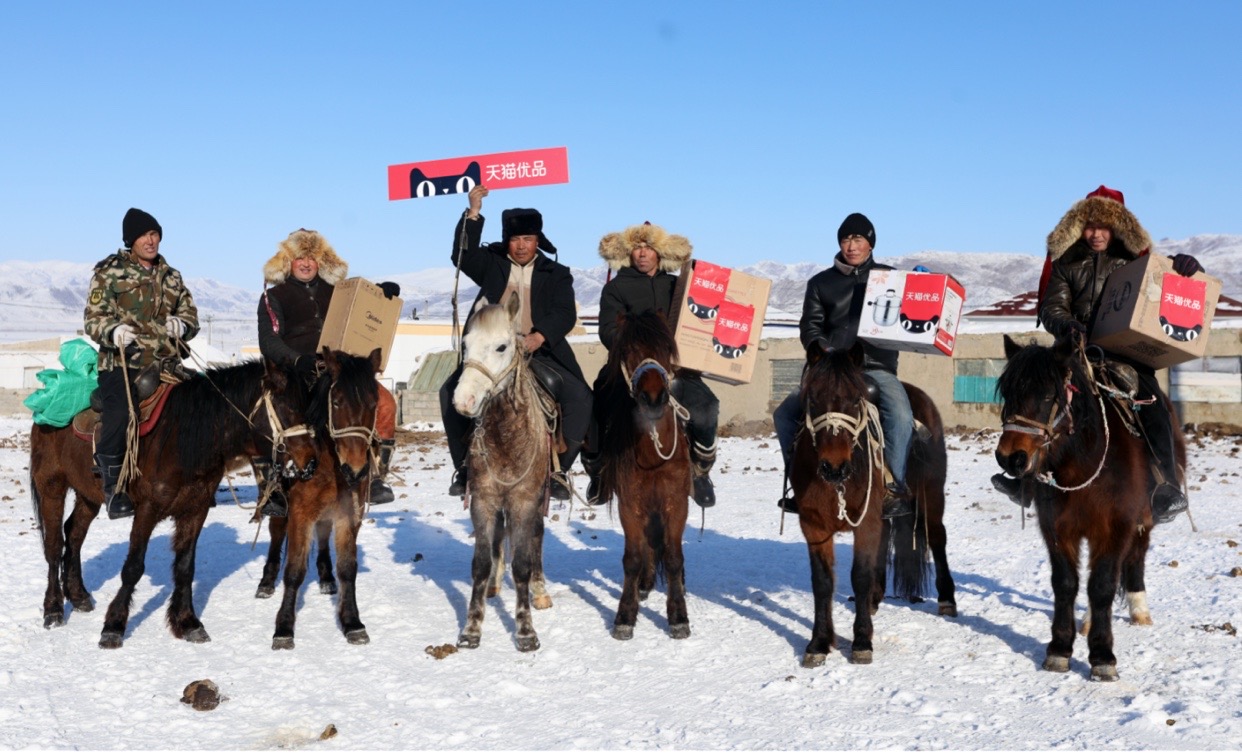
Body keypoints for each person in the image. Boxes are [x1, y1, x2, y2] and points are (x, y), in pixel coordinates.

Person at [993, 186, 1201, 524]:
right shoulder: (1067, 261)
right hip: (1076, 348)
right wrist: (1068, 325)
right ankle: (1026, 481)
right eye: (1090, 225)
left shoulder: (1135, 260)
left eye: (1104, 226)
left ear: (1118, 226)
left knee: (1152, 402)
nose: (1096, 234)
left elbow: (1165, 290)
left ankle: (1166, 487)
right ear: (1079, 226)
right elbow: (1051, 306)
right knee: (1033, 391)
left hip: (1124, 351)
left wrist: (1185, 269)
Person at [441, 185, 592, 500]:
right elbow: (462, 255)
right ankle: (463, 467)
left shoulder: (557, 273)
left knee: (581, 398)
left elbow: (565, 313)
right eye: (515, 239)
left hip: (541, 352)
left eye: (527, 239)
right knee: (448, 393)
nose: (521, 246)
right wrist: (473, 211)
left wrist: (540, 335)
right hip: (492, 353)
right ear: (506, 240)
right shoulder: (492, 263)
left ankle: (560, 471)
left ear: (537, 240)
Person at [771, 212, 914, 519]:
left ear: (871, 243)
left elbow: (910, 316)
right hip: (831, 368)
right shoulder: (821, 283)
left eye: (858, 239)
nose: (851, 245)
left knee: (901, 413)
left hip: (875, 366)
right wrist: (819, 348)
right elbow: (809, 325)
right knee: (784, 414)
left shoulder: (891, 279)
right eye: (846, 238)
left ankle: (893, 486)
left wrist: (919, 287)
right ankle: (798, 483)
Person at [257, 228, 401, 515]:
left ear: (321, 261)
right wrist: (297, 360)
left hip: (338, 368)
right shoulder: (273, 297)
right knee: (268, 413)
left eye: (312, 257)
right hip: (296, 370)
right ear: (288, 262)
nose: (306, 263)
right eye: (299, 258)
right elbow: (269, 340)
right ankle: (271, 486)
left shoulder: (338, 291)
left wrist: (381, 292)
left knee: (385, 404)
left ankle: (375, 475)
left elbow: (362, 307)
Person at [589, 221, 719, 508]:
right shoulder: (616, 289)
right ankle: (598, 471)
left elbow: (699, 318)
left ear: (660, 253)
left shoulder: (676, 285)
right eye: (637, 248)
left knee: (707, 405)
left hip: (676, 367)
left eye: (648, 247)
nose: (642, 253)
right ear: (628, 253)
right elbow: (607, 330)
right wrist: (632, 346)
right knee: (596, 402)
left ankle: (700, 471)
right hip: (630, 366)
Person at [84, 208, 199, 519]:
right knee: (120, 410)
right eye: (143, 235)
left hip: (166, 362)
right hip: (122, 363)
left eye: (154, 234)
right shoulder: (109, 273)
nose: (150, 240)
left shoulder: (172, 276)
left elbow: (191, 316)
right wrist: (114, 331)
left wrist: (182, 326)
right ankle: (114, 485)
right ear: (130, 240)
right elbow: (93, 320)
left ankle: (193, 479)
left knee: (205, 404)